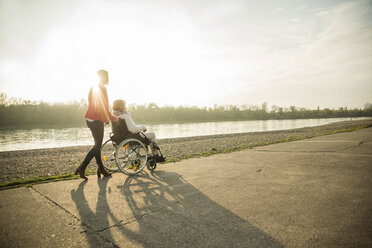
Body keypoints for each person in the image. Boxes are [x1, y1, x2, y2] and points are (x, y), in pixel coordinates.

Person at [75, 70, 117, 179]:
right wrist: (112, 118)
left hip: (90, 120)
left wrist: (105, 118)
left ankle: (101, 169)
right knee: (97, 146)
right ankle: (82, 167)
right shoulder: (102, 88)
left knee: (97, 146)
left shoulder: (93, 88)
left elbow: (95, 106)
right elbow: (104, 106)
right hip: (96, 120)